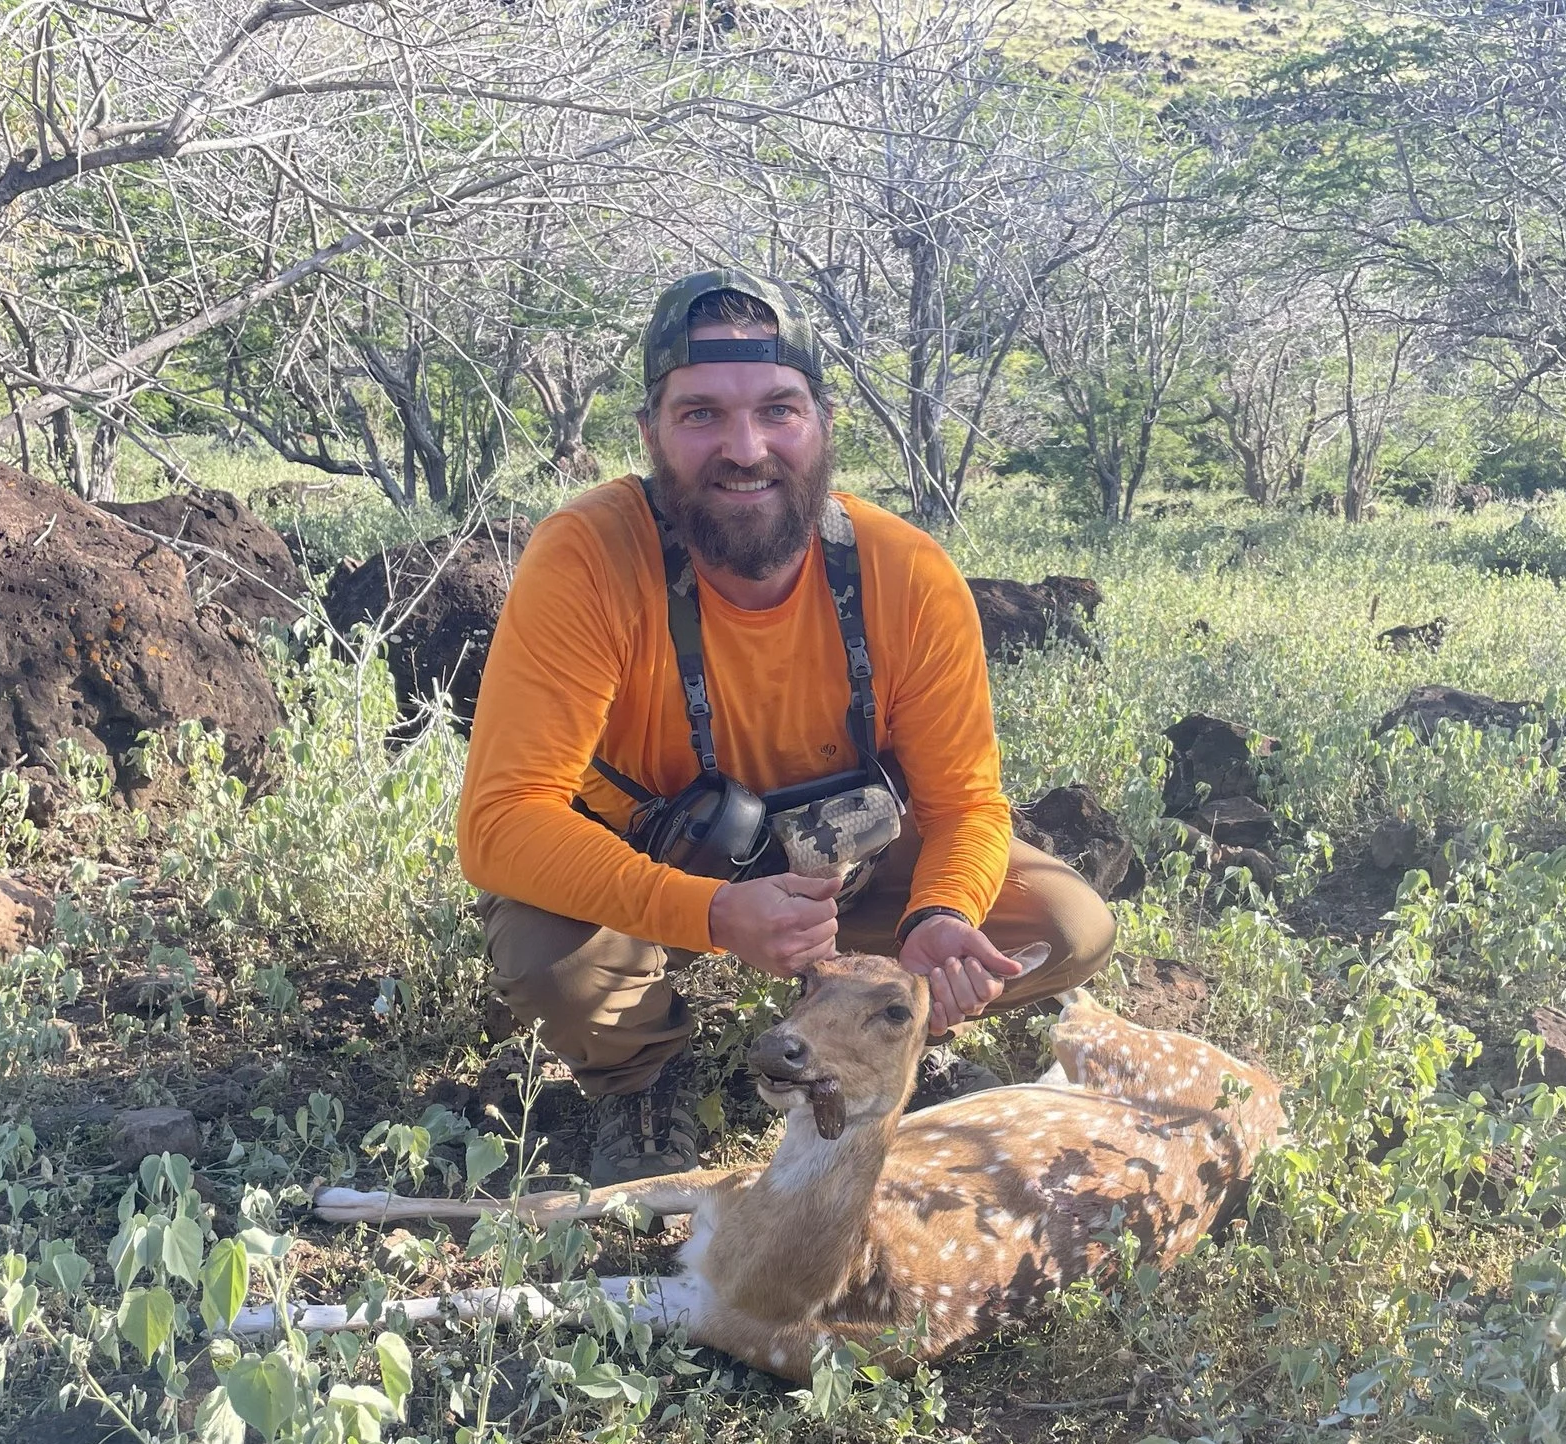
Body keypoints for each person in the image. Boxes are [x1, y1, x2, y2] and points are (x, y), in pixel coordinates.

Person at [457, 266, 1116, 1183]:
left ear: (823, 424)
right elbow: (502, 822)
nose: (745, 447)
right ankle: (642, 1076)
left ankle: (876, 1031)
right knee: (553, 963)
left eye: (778, 409)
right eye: (701, 416)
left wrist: (940, 915)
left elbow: (966, 803)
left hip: (841, 869)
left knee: (1068, 925)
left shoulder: (909, 574)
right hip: (655, 861)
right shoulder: (588, 558)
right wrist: (714, 912)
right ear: (648, 435)